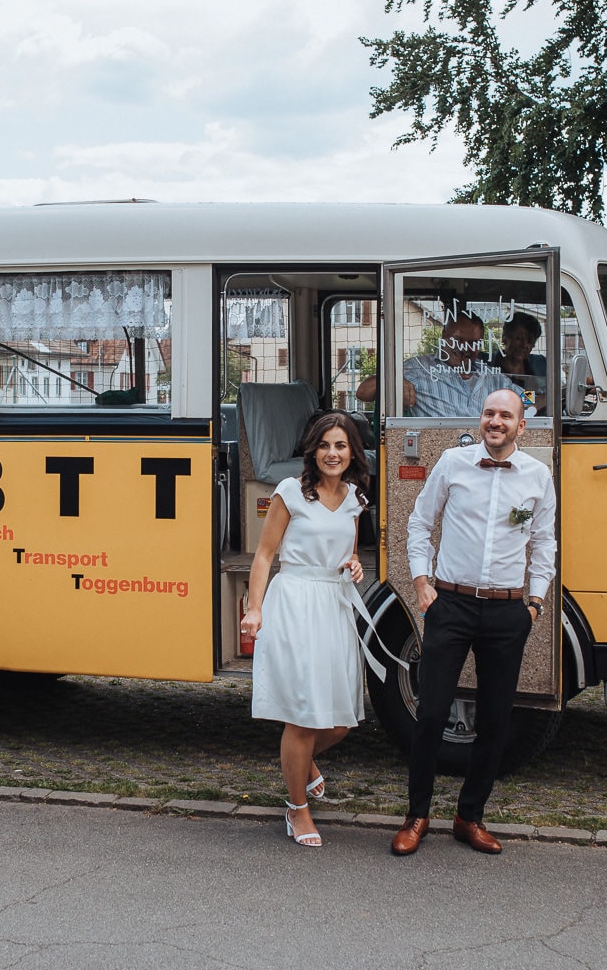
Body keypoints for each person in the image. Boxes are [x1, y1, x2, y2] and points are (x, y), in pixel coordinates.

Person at [391, 388, 557, 856]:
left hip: (508, 612)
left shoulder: (538, 477)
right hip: (451, 605)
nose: (496, 421)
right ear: (481, 420)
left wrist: (535, 605)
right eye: (489, 413)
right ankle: (417, 815)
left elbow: (544, 543)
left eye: (506, 415)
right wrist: (423, 584)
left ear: (521, 426)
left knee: (495, 721)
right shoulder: (452, 462)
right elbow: (420, 523)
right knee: (430, 714)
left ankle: (470, 816)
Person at [241, 412, 374, 848]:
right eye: (324, 445)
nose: (332, 454)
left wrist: (354, 565)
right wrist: (254, 609)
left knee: (340, 721)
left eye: (340, 446)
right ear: (312, 450)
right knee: (302, 715)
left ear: (352, 451)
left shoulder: (355, 496)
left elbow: (350, 553)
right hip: (296, 602)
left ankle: (303, 765)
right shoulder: (290, 493)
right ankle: (297, 810)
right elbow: (264, 555)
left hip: (333, 606)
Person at [356, 312, 516, 418]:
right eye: (458, 340)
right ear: (444, 336)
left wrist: (537, 398)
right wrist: (394, 380)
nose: (465, 348)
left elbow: (527, 398)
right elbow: (363, 392)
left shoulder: (491, 376)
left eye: (473, 343)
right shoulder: (419, 368)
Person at [493, 312, 548, 415]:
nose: (524, 345)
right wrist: (543, 399)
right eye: (519, 338)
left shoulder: (540, 364)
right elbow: (518, 402)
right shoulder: (488, 365)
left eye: (529, 341)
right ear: (504, 338)